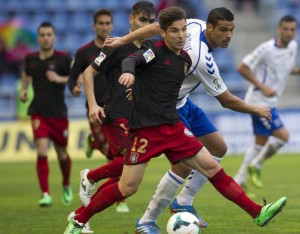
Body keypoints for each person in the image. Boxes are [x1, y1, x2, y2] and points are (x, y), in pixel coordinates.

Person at [64, 7, 287, 234]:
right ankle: (79, 219)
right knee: (127, 187)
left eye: (183, 30)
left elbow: (158, 69)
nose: (181, 35)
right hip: (145, 131)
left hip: (173, 126)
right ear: (164, 33)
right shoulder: (158, 51)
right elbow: (133, 60)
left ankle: (258, 213)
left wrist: (139, 88)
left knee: (212, 167)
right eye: (174, 31)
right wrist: (131, 74)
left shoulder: (185, 56)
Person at [66, 1, 156, 233]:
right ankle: (91, 177)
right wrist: (93, 104)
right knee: (130, 164)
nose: (145, 25)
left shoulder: (151, 48)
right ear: (131, 19)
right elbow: (88, 73)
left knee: (127, 176)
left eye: (149, 21)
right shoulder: (115, 46)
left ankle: (79, 216)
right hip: (116, 116)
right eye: (141, 20)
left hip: (140, 119)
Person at [234, 15, 300, 189]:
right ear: (279, 29)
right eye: (285, 29)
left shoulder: (293, 46)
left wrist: (297, 71)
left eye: (292, 29)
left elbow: (285, 69)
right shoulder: (266, 49)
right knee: (284, 137)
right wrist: (263, 87)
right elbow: (242, 67)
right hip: (259, 101)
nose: (288, 33)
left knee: (260, 143)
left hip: (270, 101)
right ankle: (256, 165)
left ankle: (238, 181)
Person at [20, 22, 73, 207]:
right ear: (38, 37)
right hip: (38, 112)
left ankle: (66, 184)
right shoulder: (31, 59)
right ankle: (45, 194)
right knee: (42, 150)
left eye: (49, 34)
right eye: (42, 35)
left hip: (58, 113)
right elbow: (26, 74)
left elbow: (76, 78)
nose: (45, 38)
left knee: (62, 155)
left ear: (54, 37)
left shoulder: (63, 58)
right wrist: (24, 90)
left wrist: (60, 79)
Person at [68, 9, 113, 160]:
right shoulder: (83, 52)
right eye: (101, 23)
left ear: (112, 26)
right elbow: (72, 77)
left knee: (117, 151)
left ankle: (94, 143)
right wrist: (74, 88)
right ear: (94, 26)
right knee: (108, 150)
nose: (104, 27)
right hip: (95, 107)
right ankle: (95, 143)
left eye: (107, 23)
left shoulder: (118, 49)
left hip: (117, 105)